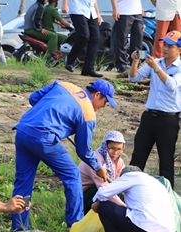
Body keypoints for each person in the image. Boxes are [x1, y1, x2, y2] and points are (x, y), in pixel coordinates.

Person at [11, 79, 115, 231]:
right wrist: (98, 166)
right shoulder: (88, 114)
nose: (102, 107)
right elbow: (83, 150)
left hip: (23, 131)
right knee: (73, 175)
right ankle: (75, 225)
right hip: (43, 139)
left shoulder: (64, 85)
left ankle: (19, 228)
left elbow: (33, 98)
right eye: (104, 102)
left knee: (23, 182)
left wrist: (50, 113)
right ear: (97, 94)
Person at [128, 30, 181, 187]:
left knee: (166, 160)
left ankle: (167, 195)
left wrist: (157, 68)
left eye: (170, 46)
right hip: (149, 116)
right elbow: (133, 77)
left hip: (168, 119)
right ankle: (129, 190)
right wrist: (135, 62)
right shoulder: (156, 62)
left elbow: (172, 85)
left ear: (179, 50)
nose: (165, 48)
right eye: (164, 45)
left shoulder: (177, 67)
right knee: (138, 156)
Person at [92, 166, 175, 232]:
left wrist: (96, 204)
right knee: (145, 216)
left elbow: (103, 193)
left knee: (104, 207)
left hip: (146, 227)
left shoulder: (131, 176)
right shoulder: (156, 183)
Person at [78, 130, 126, 213]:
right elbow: (104, 188)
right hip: (83, 194)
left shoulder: (119, 162)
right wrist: (123, 205)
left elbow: (121, 182)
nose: (115, 152)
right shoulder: (96, 162)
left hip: (102, 188)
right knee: (105, 194)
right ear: (105, 146)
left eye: (119, 149)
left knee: (120, 194)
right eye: (112, 148)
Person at [62, 0, 104, 77]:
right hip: (78, 9)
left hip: (92, 12)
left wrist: (98, 13)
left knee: (95, 38)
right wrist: (65, 4)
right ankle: (70, 60)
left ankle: (88, 68)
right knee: (84, 36)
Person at [110, 0, 143, 73]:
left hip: (137, 12)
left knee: (139, 41)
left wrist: (141, 7)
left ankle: (137, 64)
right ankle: (121, 65)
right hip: (123, 11)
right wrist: (115, 9)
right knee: (121, 40)